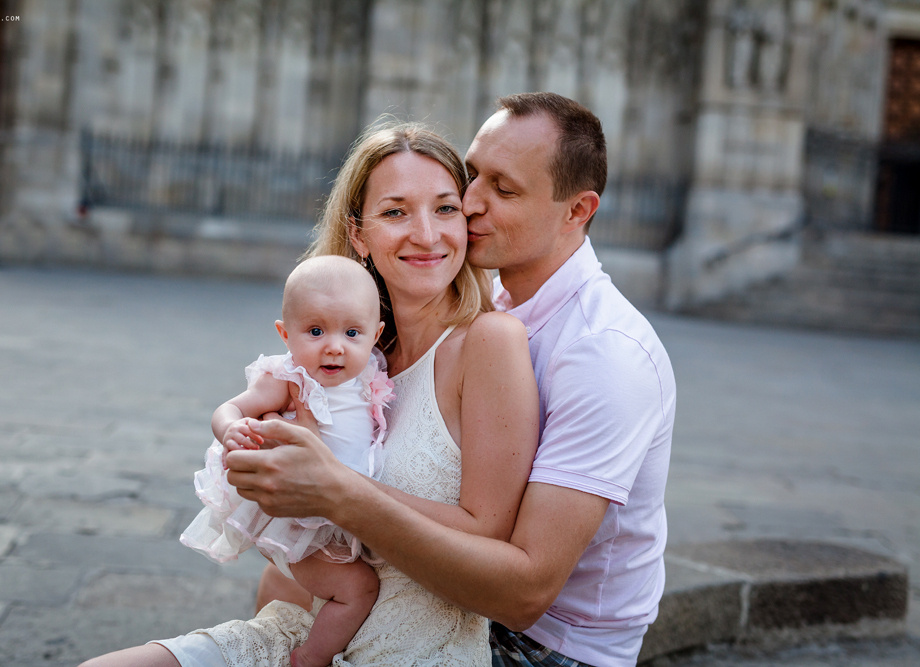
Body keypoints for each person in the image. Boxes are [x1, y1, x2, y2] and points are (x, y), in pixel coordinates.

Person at [228, 92, 677, 667]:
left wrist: (335, 488)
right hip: (423, 596)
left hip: (541, 646)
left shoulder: (605, 356)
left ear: (577, 210)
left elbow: (524, 595)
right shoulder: (471, 300)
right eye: (472, 176)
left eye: (504, 189)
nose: (468, 204)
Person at [79, 122, 540, 667]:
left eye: (445, 209)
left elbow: (488, 538)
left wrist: (331, 486)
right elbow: (292, 532)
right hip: (306, 630)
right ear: (359, 234)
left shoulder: (489, 340)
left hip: (417, 650)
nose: (426, 233)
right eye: (395, 212)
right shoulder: (342, 354)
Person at [178, 255, 394, 667]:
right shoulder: (292, 379)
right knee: (357, 589)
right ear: (285, 333)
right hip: (300, 526)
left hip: (345, 513)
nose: (334, 345)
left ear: (375, 334)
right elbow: (229, 407)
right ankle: (309, 658)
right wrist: (230, 430)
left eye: (352, 332)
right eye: (315, 331)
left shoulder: (369, 377)